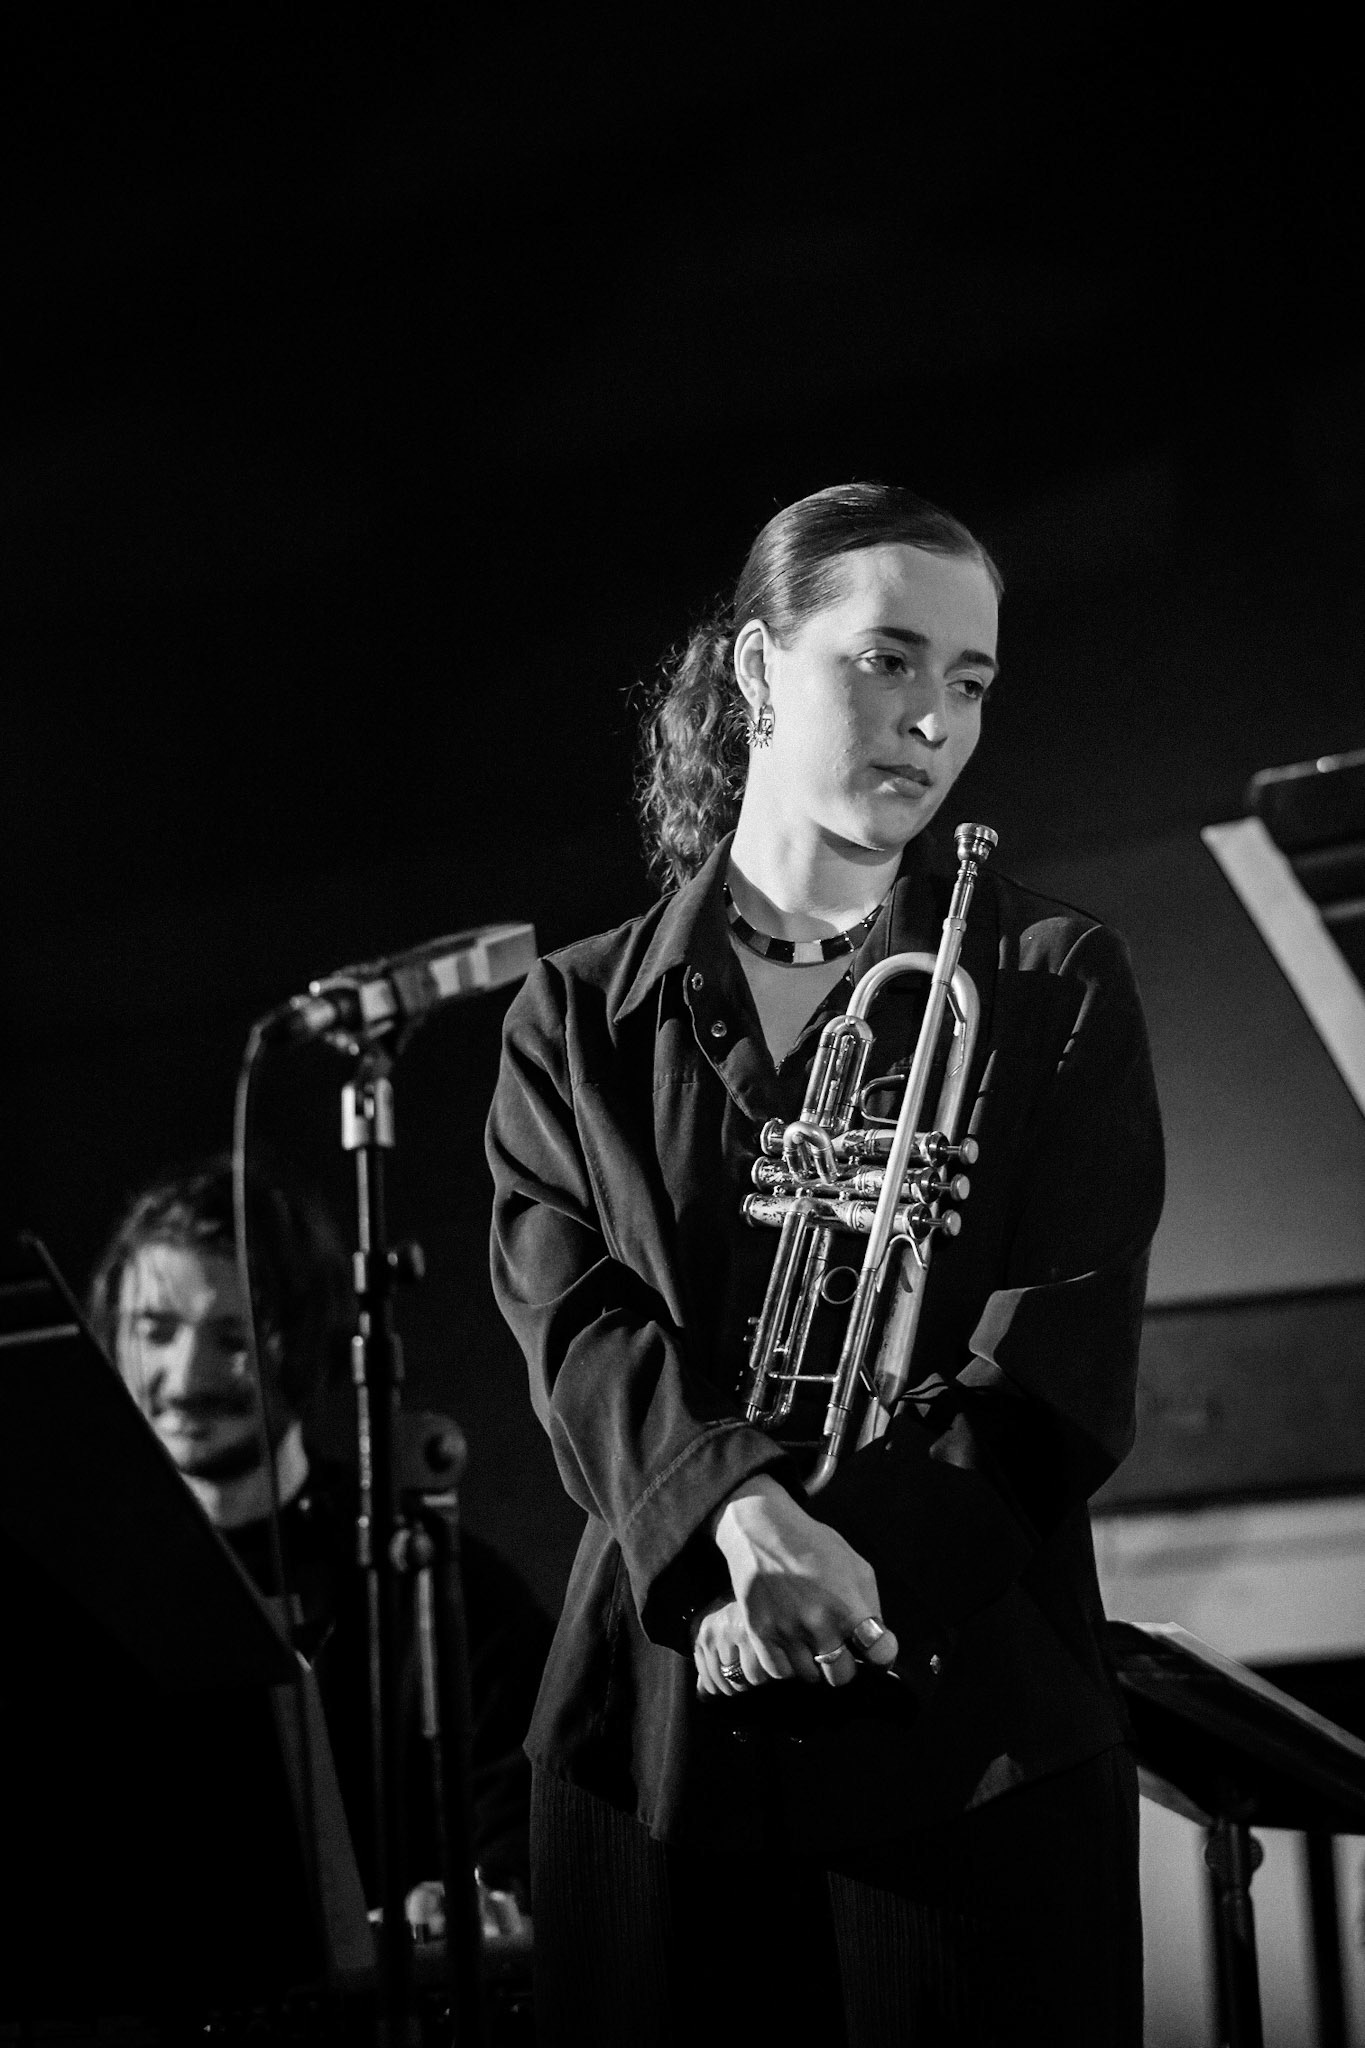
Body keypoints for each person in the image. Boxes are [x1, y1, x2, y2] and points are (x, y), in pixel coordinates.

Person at [486, 483, 1165, 2045]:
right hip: (650, 1740)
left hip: (969, 1733)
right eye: (886, 661)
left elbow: (1054, 1360)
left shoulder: (1054, 981)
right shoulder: (574, 1017)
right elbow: (576, 1337)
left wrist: (834, 1586)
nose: (932, 721)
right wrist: (734, 1520)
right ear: (753, 669)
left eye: (971, 683)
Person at [88, 1157, 551, 1919]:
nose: (185, 1377)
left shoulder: (440, 1582)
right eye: (156, 1331)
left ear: (306, 1343)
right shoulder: (86, 1587)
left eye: (232, 1337)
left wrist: (484, 1897)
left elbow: (527, 1837)